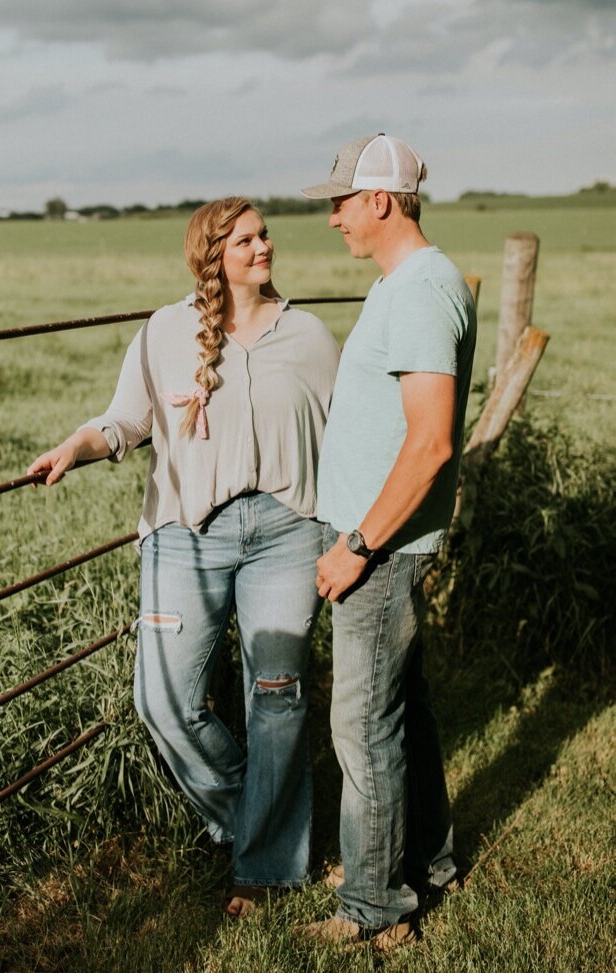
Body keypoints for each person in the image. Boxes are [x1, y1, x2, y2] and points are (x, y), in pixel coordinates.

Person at [28, 196, 339, 916]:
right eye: (248, 240)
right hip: (184, 530)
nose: (265, 247)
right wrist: (74, 448)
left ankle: (264, 869)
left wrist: (351, 533)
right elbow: (125, 421)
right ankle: (259, 824)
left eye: (266, 235)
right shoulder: (166, 332)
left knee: (277, 699)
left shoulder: (311, 336)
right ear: (213, 254)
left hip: (288, 530)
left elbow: (345, 438)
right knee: (163, 701)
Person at [295, 134, 473, 952]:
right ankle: (427, 861)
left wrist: (358, 544)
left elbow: (431, 442)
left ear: (381, 200)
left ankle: (373, 906)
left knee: (362, 726)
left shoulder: (423, 292)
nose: (332, 218)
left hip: (381, 545)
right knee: (404, 712)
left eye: (340, 201)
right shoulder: (402, 284)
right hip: (379, 538)